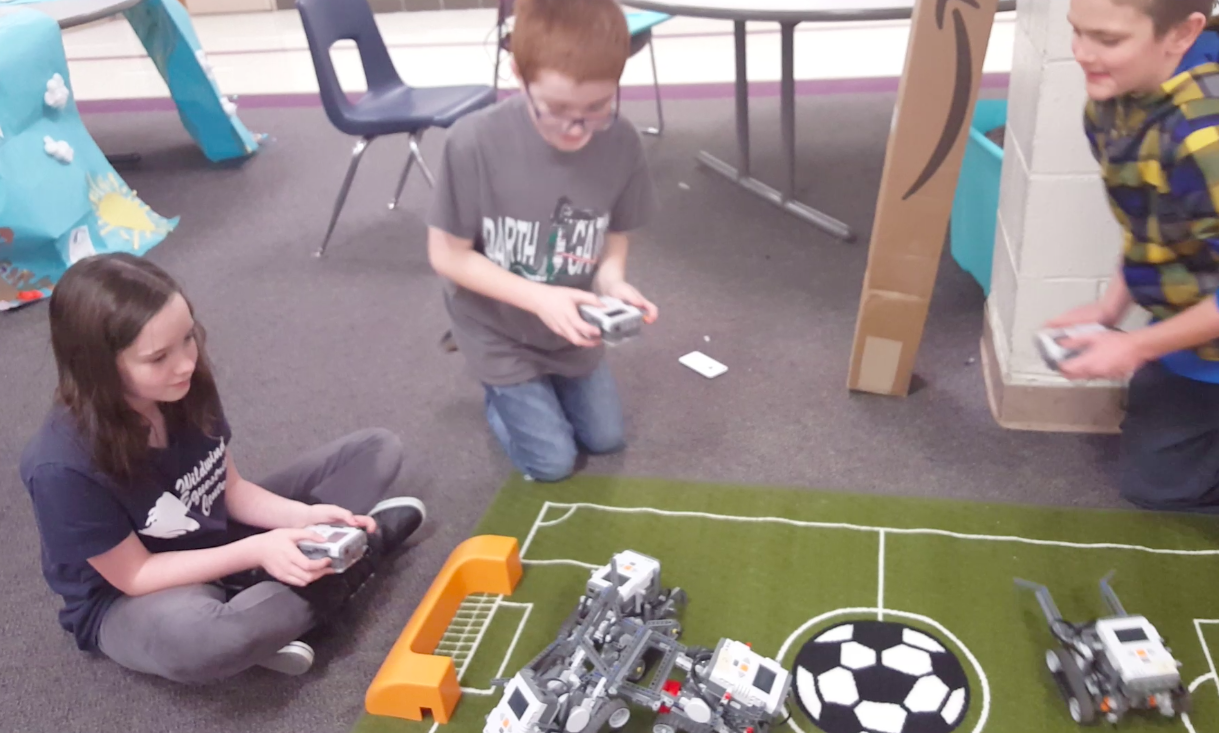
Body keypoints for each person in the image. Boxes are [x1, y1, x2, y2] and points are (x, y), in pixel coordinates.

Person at [20, 253, 426, 684]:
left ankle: (289, 591)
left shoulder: (182, 385)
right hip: (134, 595)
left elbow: (229, 489)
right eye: (158, 357)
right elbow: (136, 574)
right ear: (98, 366)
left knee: (377, 450)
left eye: (187, 338)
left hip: (214, 532)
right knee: (205, 639)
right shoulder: (60, 466)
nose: (185, 363)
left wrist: (303, 518)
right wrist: (258, 550)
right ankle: (355, 559)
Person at [427, 0, 659, 483]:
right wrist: (539, 298)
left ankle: (533, 393)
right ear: (518, 74)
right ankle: (497, 389)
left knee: (606, 439)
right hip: (496, 327)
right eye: (555, 110)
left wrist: (613, 281)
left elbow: (614, 232)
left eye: (597, 108)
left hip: (570, 325)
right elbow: (447, 255)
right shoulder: (472, 142)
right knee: (552, 464)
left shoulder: (622, 143)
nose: (576, 128)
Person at [1048, 0, 1219, 511]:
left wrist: (1138, 346)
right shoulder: (1113, 101)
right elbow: (1150, 220)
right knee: (1155, 480)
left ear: (1182, 34)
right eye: (1077, 32)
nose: (1082, 54)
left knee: (1167, 485)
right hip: (1196, 317)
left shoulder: (1205, 140)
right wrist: (1110, 308)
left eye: (1108, 40)